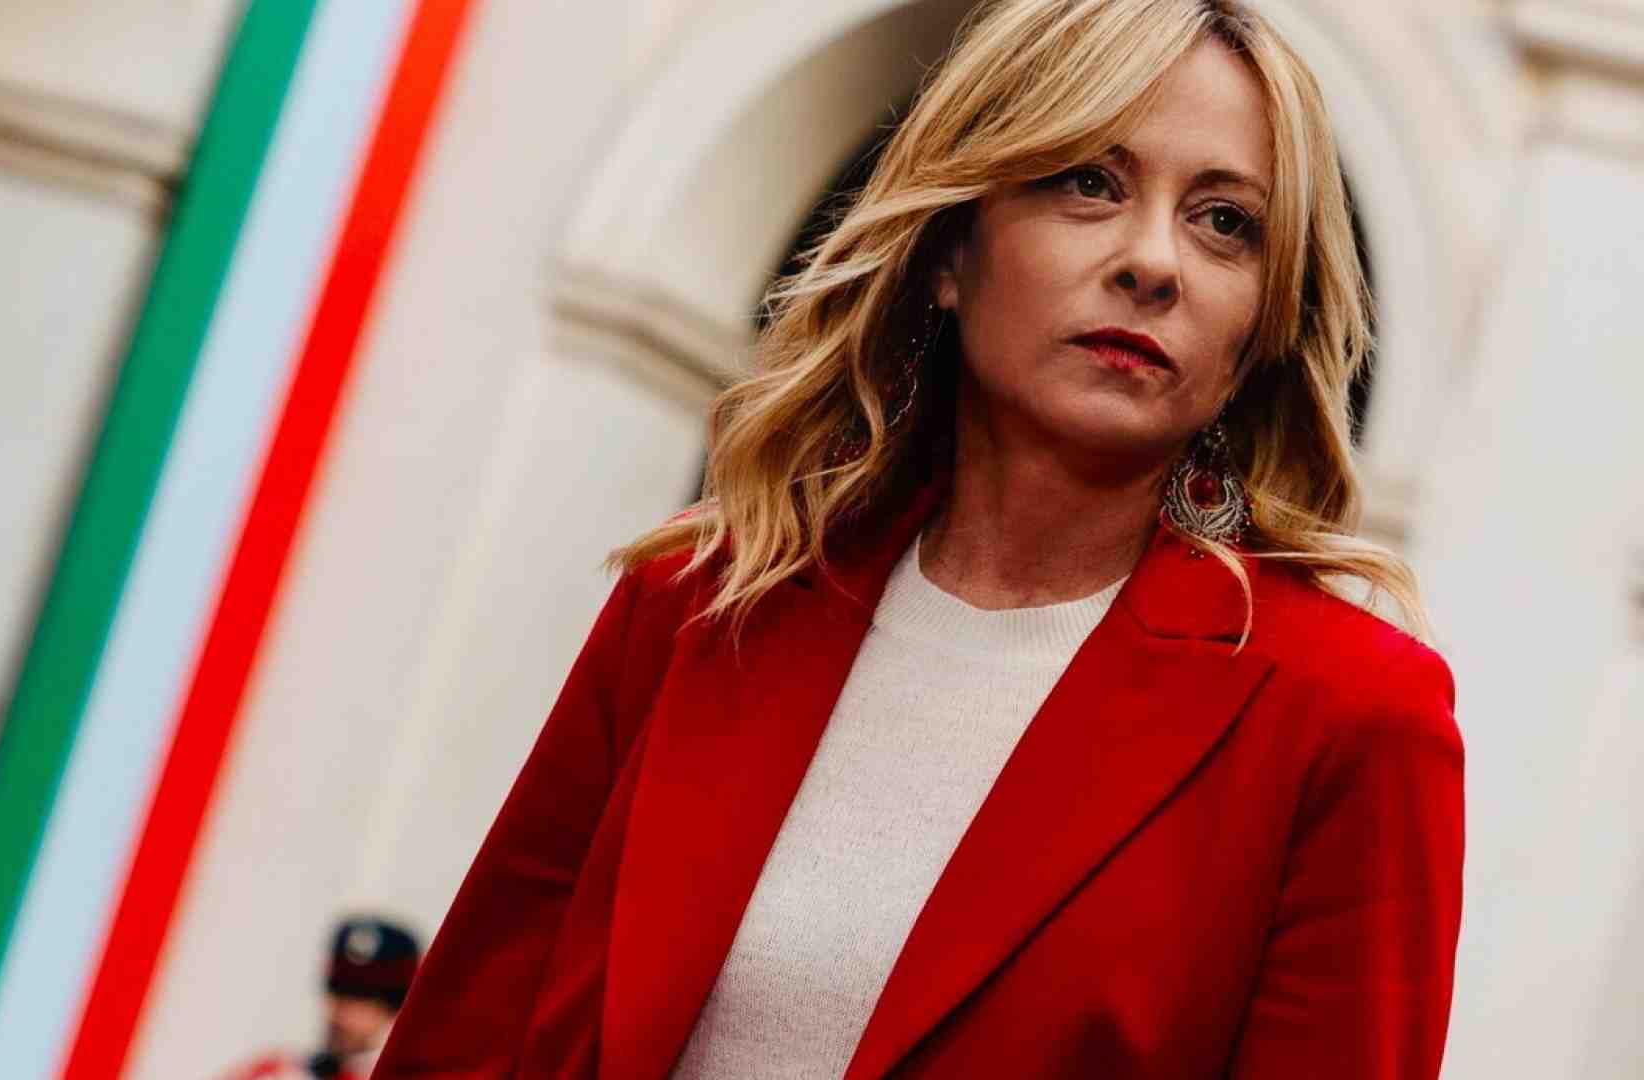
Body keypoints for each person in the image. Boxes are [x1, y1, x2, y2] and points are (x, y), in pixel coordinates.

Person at [374, 0, 1463, 1076]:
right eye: (1089, 181)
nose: (1153, 261)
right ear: (952, 249)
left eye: (1226, 223)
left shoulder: (1349, 722)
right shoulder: (700, 598)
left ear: (1261, 327)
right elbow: (464, 1046)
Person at [226, 916, 420, 1080]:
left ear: (394, 1008)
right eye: (338, 991)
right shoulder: (273, 1072)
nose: (341, 1013)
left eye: (362, 999)